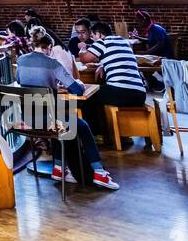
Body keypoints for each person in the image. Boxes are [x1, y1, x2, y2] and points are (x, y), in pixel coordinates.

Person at [15, 28, 118, 190]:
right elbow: (76, 90)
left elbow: (20, 81)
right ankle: (99, 172)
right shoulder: (52, 63)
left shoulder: (21, 60)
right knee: (82, 126)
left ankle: (59, 168)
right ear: (49, 47)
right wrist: (78, 84)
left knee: (60, 123)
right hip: (49, 120)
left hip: (28, 119)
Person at [79, 21, 149, 140]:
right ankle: (115, 133)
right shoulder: (123, 41)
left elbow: (84, 59)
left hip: (121, 92)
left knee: (87, 97)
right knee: (100, 94)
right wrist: (102, 65)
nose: (92, 39)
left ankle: (96, 136)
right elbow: (115, 56)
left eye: (93, 36)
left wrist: (82, 48)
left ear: (99, 34)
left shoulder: (103, 42)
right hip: (140, 94)